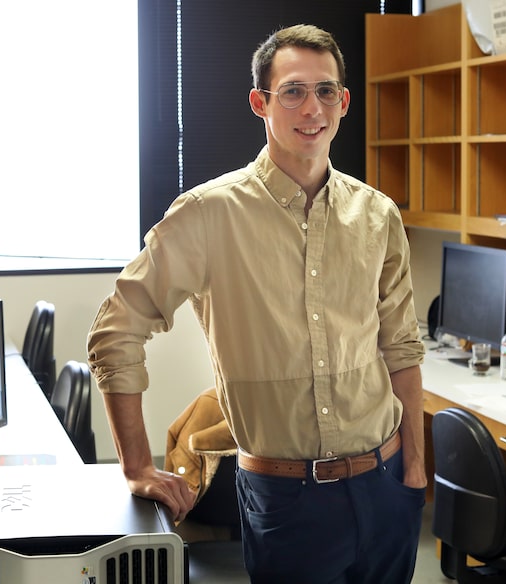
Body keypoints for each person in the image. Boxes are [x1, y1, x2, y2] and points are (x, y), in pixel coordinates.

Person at [87, 24, 427, 584]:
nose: (310, 106)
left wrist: (414, 469)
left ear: (343, 102)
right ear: (259, 103)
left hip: (385, 484)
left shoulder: (377, 215)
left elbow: (401, 347)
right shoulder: (208, 214)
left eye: (325, 91)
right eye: (292, 90)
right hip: (285, 497)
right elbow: (114, 332)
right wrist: (137, 465)